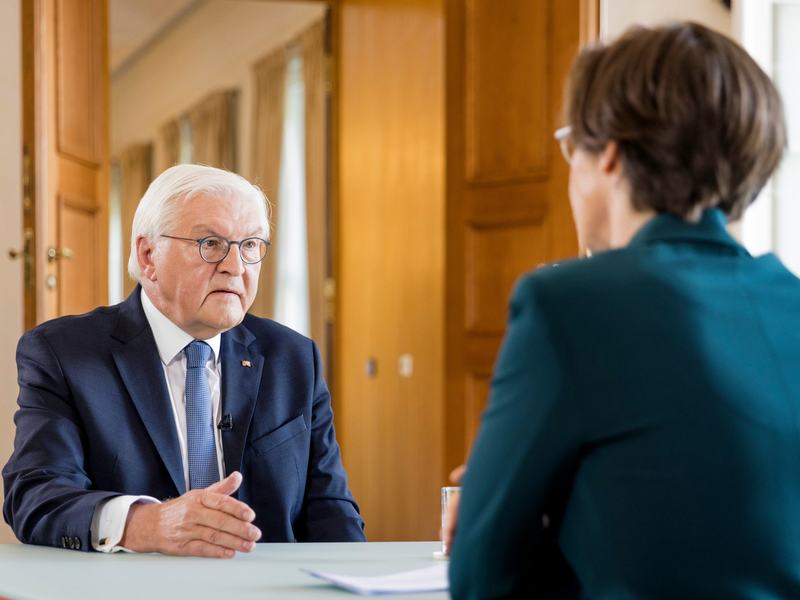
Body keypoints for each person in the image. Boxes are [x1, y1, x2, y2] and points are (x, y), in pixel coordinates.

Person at [448, 22, 800, 599]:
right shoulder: (793, 301)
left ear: (609, 156)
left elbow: (481, 577)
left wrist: (515, 518)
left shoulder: (567, 303)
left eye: (569, 147)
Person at [3, 164, 365, 557]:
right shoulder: (64, 353)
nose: (236, 266)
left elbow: (330, 508)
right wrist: (145, 524)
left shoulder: (293, 357)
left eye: (250, 245)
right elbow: (35, 495)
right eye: (211, 243)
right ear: (148, 257)